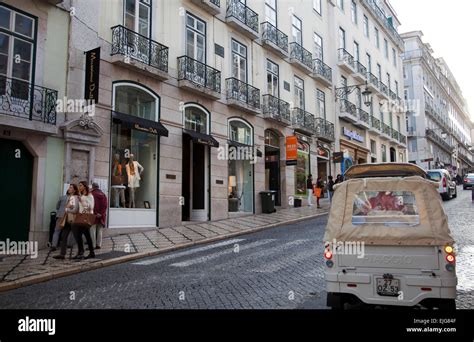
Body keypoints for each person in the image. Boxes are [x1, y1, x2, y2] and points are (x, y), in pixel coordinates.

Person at [53, 184, 80, 260]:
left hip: (73, 219)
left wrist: (67, 209)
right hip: (67, 219)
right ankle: (62, 254)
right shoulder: (68, 197)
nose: (69, 188)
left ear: (74, 190)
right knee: (64, 236)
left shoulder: (75, 197)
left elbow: (74, 209)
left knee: (76, 236)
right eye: (69, 187)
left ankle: (80, 252)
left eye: (71, 187)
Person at [72, 181, 95, 260]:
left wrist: (81, 201)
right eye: (79, 185)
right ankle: (91, 253)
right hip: (81, 216)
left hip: (86, 217)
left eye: (80, 185)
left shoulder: (90, 195)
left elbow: (90, 206)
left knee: (78, 234)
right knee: (87, 236)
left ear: (85, 186)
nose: (79, 187)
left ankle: (81, 252)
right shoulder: (82, 195)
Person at [90, 182, 108, 249]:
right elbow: (105, 206)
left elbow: (91, 205)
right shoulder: (103, 195)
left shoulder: (92, 194)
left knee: (92, 230)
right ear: (98, 187)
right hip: (101, 216)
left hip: (93, 215)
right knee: (100, 230)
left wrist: (95, 213)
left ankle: (93, 245)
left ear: (93, 187)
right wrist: (101, 213)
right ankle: (99, 244)